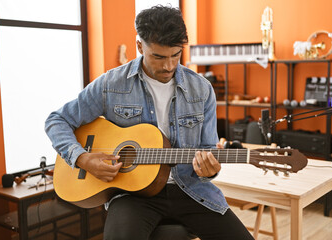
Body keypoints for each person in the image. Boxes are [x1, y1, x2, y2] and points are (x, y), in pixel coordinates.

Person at [45, 5, 254, 240]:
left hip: (191, 190)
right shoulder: (111, 84)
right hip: (132, 195)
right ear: (139, 46)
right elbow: (57, 120)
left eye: (176, 55)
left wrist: (209, 170)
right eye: (158, 56)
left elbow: (207, 150)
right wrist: (82, 158)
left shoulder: (202, 89)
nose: (168, 66)